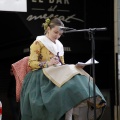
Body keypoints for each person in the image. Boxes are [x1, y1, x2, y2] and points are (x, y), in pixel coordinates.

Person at [19, 17, 106, 120]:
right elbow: (31, 63)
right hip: (42, 77)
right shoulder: (38, 42)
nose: (58, 36)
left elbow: (62, 63)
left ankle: (91, 98)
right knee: (68, 90)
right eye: (55, 32)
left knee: (77, 74)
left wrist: (76, 66)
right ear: (48, 29)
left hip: (56, 73)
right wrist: (48, 63)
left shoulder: (59, 45)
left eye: (60, 34)